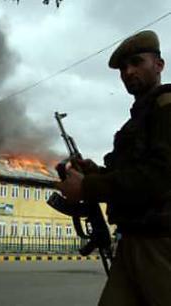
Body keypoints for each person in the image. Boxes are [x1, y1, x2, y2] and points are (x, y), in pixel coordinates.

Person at [55, 30, 171, 306]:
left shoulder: (166, 109)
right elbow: (132, 172)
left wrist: (86, 186)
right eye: (122, 68)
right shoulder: (142, 116)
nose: (128, 71)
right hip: (133, 238)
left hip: (160, 242)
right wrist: (94, 171)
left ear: (159, 65)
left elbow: (159, 177)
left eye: (136, 62)